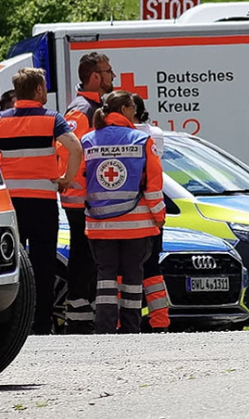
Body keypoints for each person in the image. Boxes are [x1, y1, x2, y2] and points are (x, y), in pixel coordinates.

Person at [0, 68, 83, 335]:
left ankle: (12, 324)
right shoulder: (52, 119)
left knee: (11, 264)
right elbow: (75, 147)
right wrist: (66, 177)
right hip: (42, 203)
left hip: (11, 205)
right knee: (43, 266)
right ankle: (41, 325)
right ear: (39, 90)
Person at [83, 90, 166, 334]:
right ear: (124, 110)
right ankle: (130, 329)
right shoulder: (141, 141)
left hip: (100, 226)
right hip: (136, 226)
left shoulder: (87, 141)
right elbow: (153, 185)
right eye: (132, 107)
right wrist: (159, 217)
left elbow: (80, 183)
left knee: (106, 278)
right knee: (132, 278)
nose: (135, 112)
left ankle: (105, 328)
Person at [58, 52, 117, 333]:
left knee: (91, 256)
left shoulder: (95, 106)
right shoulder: (81, 110)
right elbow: (68, 150)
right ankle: (78, 311)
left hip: (90, 198)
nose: (112, 76)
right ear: (95, 76)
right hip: (80, 199)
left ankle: (84, 307)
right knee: (83, 255)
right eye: (107, 71)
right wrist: (85, 180)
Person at [131, 94, 169, 331]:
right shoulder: (155, 135)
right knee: (153, 269)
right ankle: (160, 322)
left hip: (122, 215)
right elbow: (154, 180)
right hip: (151, 213)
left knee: (123, 271)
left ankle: (124, 321)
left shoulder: (115, 137)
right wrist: (159, 214)